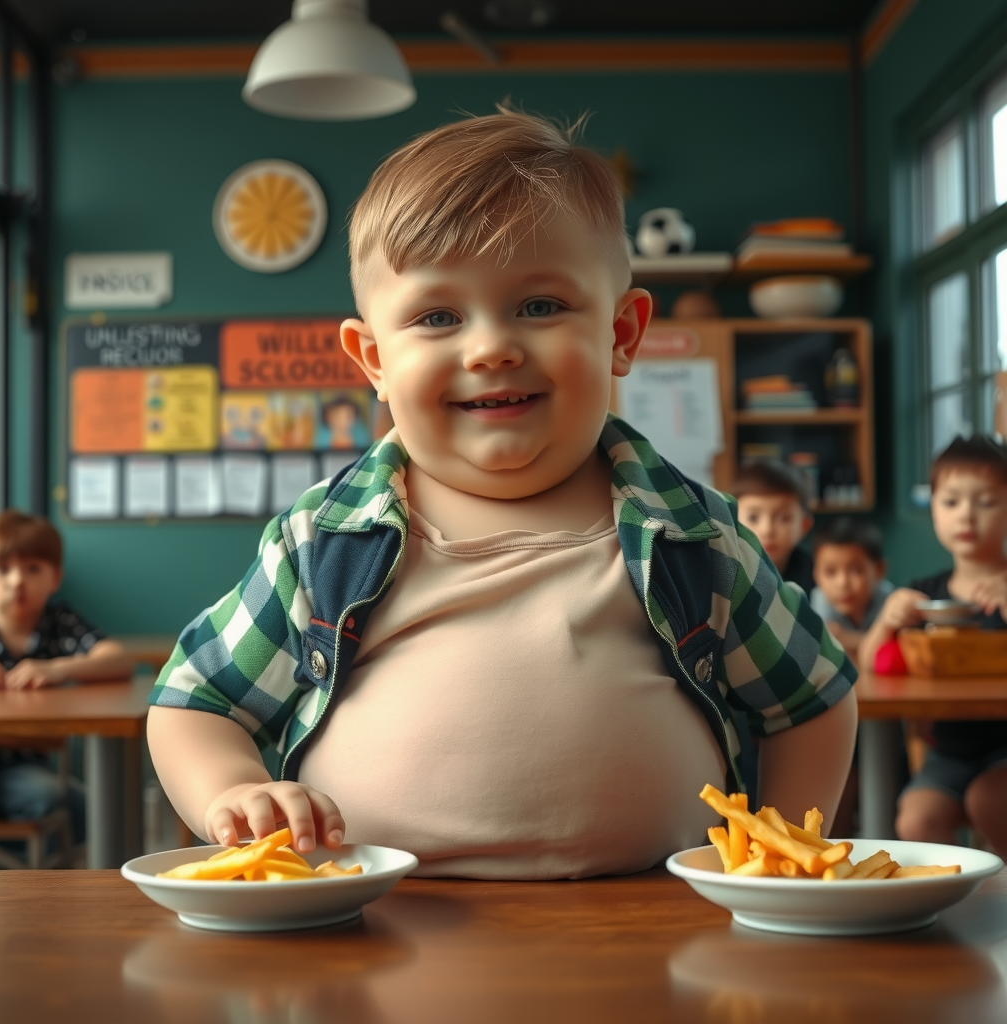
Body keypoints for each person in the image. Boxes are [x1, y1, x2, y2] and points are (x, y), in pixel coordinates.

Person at [148, 110, 857, 880]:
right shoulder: (324, 540)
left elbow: (812, 699)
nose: (490, 347)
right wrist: (235, 790)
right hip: (370, 937)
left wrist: (781, 853)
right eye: (438, 316)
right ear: (373, 358)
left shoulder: (695, 536)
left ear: (622, 333)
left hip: (653, 938)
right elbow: (195, 702)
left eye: (540, 306)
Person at [859, 436, 1007, 855]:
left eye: (987, 502)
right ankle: (954, 909)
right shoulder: (923, 594)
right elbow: (872, 669)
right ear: (935, 511)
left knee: (989, 800)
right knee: (916, 817)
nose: (967, 516)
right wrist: (887, 621)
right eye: (952, 502)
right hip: (948, 752)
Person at [0, 510, 133, 851]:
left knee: (76, 802)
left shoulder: (59, 622)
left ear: (54, 579)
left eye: (32, 569)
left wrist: (59, 669)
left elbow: (120, 660)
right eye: (3, 569)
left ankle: (47, 884)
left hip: (23, 770)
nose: (17, 581)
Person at [810, 517, 893, 663]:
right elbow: (822, 645)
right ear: (816, 575)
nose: (842, 583)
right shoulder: (820, 598)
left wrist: (847, 638)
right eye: (830, 572)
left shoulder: (889, 599)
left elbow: (894, 646)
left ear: (879, 570)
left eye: (856, 571)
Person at [733, 461, 815, 594]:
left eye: (783, 518)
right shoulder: (724, 572)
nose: (767, 530)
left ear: (804, 525)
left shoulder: (817, 574)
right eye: (753, 518)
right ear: (732, 521)